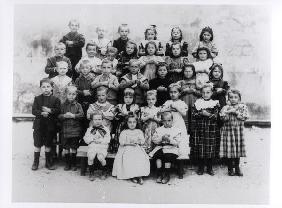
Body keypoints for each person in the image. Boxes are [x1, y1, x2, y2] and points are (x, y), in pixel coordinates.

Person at [190, 83, 220, 176]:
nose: (205, 94)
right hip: (200, 129)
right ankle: (201, 167)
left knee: (210, 148)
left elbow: (216, 116)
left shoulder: (215, 103)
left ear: (211, 93)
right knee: (201, 148)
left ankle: (210, 167)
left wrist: (207, 114)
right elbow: (193, 114)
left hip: (211, 129)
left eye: (208, 92)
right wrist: (200, 114)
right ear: (201, 93)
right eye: (203, 92)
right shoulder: (197, 103)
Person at [31, 78, 61, 171]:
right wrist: (41, 113)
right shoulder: (37, 98)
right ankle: (36, 162)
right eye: (43, 87)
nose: (46, 89)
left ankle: (48, 162)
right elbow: (34, 110)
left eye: (48, 87)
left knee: (48, 144)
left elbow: (58, 110)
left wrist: (50, 110)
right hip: (39, 125)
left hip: (50, 126)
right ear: (40, 88)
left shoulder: (55, 99)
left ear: (52, 88)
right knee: (37, 144)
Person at [112, 114, 150, 185]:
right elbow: (121, 142)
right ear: (126, 123)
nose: (132, 124)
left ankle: (139, 176)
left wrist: (137, 142)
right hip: (126, 148)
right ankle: (132, 175)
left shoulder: (139, 131)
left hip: (137, 148)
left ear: (136, 123)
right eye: (130, 122)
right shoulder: (124, 132)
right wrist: (129, 143)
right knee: (129, 157)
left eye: (134, 122)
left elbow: (142, 141)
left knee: (140, 157)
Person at [219, 89, 249, 176]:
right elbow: (222, 118)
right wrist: (228, 113)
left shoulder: (242, 107)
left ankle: (237, 167)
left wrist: (235, 112)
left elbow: (245, 117)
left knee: (237, 149)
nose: (233, 99)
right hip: (228, 131)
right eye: (231, 97)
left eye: (235, 97)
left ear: (239, 98)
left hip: (238, 132)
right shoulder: (225, 107)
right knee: (229, 150)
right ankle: (230, 168)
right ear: (228, 98)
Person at [150, 111, 185, 183]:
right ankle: (159, 174)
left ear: (172, 120)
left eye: (169, 120)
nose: (167, 123)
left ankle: (167, 174)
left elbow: (177, 142)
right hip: (161, 147)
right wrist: (161, 138)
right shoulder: (159, 130)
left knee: (167, 156)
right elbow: (154, 140)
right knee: (158, 156)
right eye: (164, 121)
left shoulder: (176, 130)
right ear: (162, 121)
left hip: (172, 149)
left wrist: (170, 140)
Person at [58, 86, 84, 171]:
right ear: (66, 94)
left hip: (75, 130)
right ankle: (67, 164)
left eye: (73, 94)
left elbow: (82, 115)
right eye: (69, 94)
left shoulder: (78, 105)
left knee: (73, 147)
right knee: (66, 148)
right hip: (65, 130)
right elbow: (59, 115)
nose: (71, 96)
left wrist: (73, 115)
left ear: (76, 95)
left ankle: (73, 164)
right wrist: (64, 115)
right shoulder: (62, 105)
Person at [83, 111, 111, 181]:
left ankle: (104, 171)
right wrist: (92, 139)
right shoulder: (90, 129)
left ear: (102, 120)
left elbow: (108, 139)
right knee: (91, 157)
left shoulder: (105, 129)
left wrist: (101, 141)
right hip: (92, 146)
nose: (97, 121)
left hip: (102, 146)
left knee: (100, 157)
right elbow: (86, 138)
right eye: (95, 119)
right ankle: (91, 172)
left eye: (99, 119)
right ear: (92, 120)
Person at [112, 88, 140, 153]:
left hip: (132, 125)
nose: (128, 99)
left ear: (134, 98)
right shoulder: (120, 106)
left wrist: (125, 113)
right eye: (126, 97)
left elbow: (134, 115)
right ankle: (119, 148)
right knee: (121, 136)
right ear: (123, 97)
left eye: (130, 97)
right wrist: (119, 114)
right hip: (121, 125)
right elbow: (115, 117)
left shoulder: (135, 106)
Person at [177, 64, 201, 134]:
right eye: (186, 71)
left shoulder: (197, 81)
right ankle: (184, 133)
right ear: (183, 72)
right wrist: (183, 91)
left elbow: (201, 94)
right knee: (185, 118)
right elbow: (176, 95)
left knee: (194, 117)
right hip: (184, 103)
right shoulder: (180, 82)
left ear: (193, 72)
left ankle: (194, 135)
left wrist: (194, 91)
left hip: (195, 103)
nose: (188, 73)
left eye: (190, 71)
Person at [75, 60, 95, 133]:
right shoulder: (78, 79)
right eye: (83, 68)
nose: (85, 70)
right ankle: (82, 136)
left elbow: (95, 89)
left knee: (89, 118)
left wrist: (90, 92)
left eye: (87, 68)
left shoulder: (93, 79)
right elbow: (75, 90)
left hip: (90, 101)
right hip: (81, 101)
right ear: (80, 69)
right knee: (81, 118)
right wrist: (82, 92)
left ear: (90, 69)